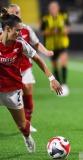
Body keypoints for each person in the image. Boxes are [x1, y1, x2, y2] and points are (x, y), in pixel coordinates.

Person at [0, 7, 62, 153]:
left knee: (22, 125)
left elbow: (38, 59)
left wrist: (51, 78)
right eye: (18, 30)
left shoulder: (20, 44)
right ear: (8, 29)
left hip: (12, 91)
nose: (20, 33)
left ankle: (27, 137)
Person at [7, 4, 54, 132]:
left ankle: (27, 124)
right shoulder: (4, 31)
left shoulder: (27, 29)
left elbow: (36, 43)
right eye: (13, 13)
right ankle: (20, 120)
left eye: (18, 12)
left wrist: (46, 52)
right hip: (10, 69)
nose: (16, 14)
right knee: (16, 95)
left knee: (28, 95)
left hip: (26, 67)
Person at [41, 1, 71, 96]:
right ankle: (58, 84)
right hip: (51, 46)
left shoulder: (63, 16)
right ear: (49, 9)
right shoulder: (46, 18)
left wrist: (66, 30)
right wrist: (51, 32)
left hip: (62, 44)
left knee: (63, 61)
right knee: (54, 65)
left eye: (55, 8)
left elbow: (68, 26)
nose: (54, 9)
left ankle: (65, 83)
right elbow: (42, 32)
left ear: (58, 8)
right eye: (52, 8)